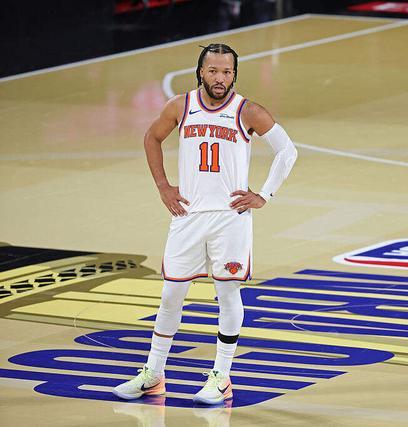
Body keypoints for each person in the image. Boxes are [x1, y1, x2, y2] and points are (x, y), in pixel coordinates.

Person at [113, 43, 298, 405]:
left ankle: (222, 378)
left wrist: (264, 194)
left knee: (227, 294)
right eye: (213, 71)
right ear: (201, 71)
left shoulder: (247, 111)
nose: (220, 78)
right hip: (188, 216)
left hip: (230, 219)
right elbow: (152, 137)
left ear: (234, 74)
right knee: (171, 295)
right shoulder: (180, 106)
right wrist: (163, 186)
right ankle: (153, 374)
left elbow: (287, 150)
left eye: (227, 72)